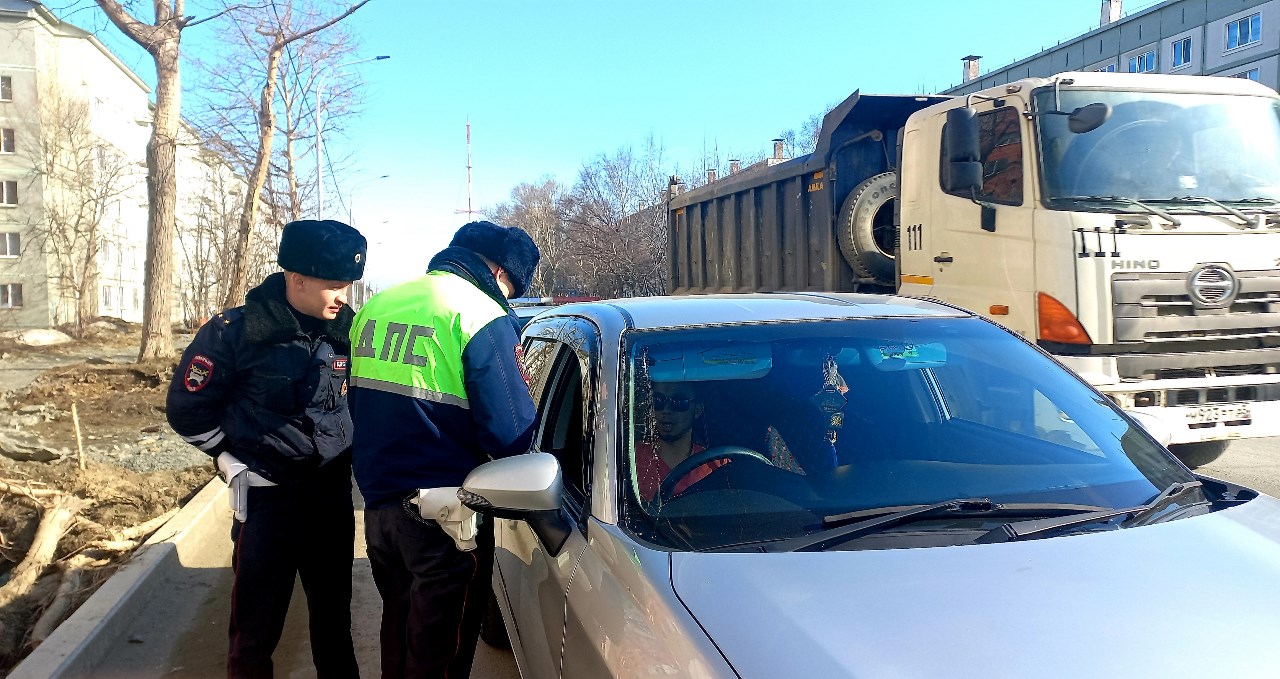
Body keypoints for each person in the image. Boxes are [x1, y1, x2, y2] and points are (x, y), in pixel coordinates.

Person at [165, 219, 365, 679]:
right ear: (297, 278)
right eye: (334, 286)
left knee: (335, 629)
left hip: (330, 498)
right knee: (254, 633)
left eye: (348, 287)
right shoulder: (237, 331)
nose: (343, 297)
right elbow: (187, 407)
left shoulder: (348, 333)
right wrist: (225, 457)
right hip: (266, 501)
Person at [348, 220, 539, 679]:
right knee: (441, 653)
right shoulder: (479, 315)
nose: (506, 300)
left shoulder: (379, 304)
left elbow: (358, 402)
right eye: (510, 289)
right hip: (447, 520)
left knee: (398, 629)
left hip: (379, 512)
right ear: (498, 275)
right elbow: (513, 437)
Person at [634, 381, 725, 501]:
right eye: (658, 400)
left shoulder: (720, 465)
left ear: (697, 409)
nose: (666, 410)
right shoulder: (630, 460)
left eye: (679, 402)